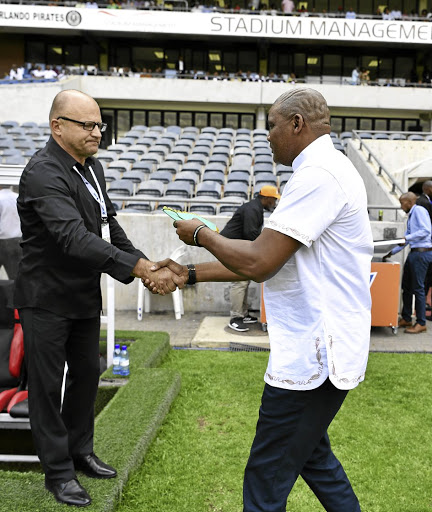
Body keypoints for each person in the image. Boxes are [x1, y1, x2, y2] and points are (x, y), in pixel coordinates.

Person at [147, 88, 373, 512]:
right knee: (313, 459)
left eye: (270, 125)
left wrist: (199, 234)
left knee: (266, 480)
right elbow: (275, 261)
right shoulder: (322, 169)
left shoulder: (319, 174)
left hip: (315, 355)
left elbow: (260, 263)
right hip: (320, 350)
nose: (266, 135)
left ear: (296, 124)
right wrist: (189, 273)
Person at [14, 89, 183, 508]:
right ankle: (57, 473)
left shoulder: (93, 168)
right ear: (58, 126)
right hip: (46, 299)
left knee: (88, 374)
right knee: (48, 387)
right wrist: (141, 269)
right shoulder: (42, 173)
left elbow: (108, 229)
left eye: (99, 125)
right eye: (87, 125)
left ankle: (80, 451)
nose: (97, 132)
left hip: (83, 295)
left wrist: (144, 263)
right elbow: (73, 239)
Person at [220, 186, 280, 332]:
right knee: (239, 282)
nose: (274, 203)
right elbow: (250, 233)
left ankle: (243, 313)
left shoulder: (255, 208)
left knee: (244, 280)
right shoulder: (252, 209)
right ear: (266, 198)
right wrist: (264, 248)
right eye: (273, 200)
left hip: (237, 246)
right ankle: (236, 318)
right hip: (231, 247)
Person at [384, 192, 432, 334]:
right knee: (406, 286)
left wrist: (406, 237)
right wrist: (391, 252)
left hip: (421, 253)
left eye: (402, 203)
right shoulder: (412, 214)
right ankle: (406, 318)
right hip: (415, 252)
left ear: (409, 202)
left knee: (418, 288)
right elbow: (407, 239)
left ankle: (421, 323)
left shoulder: (419, 211)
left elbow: (425, 230)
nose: (400, 206)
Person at [0, 185, 22, 280]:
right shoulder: (18, 198)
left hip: (2, 240)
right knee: (15, 276)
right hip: (18, 240)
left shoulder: (0, 198)